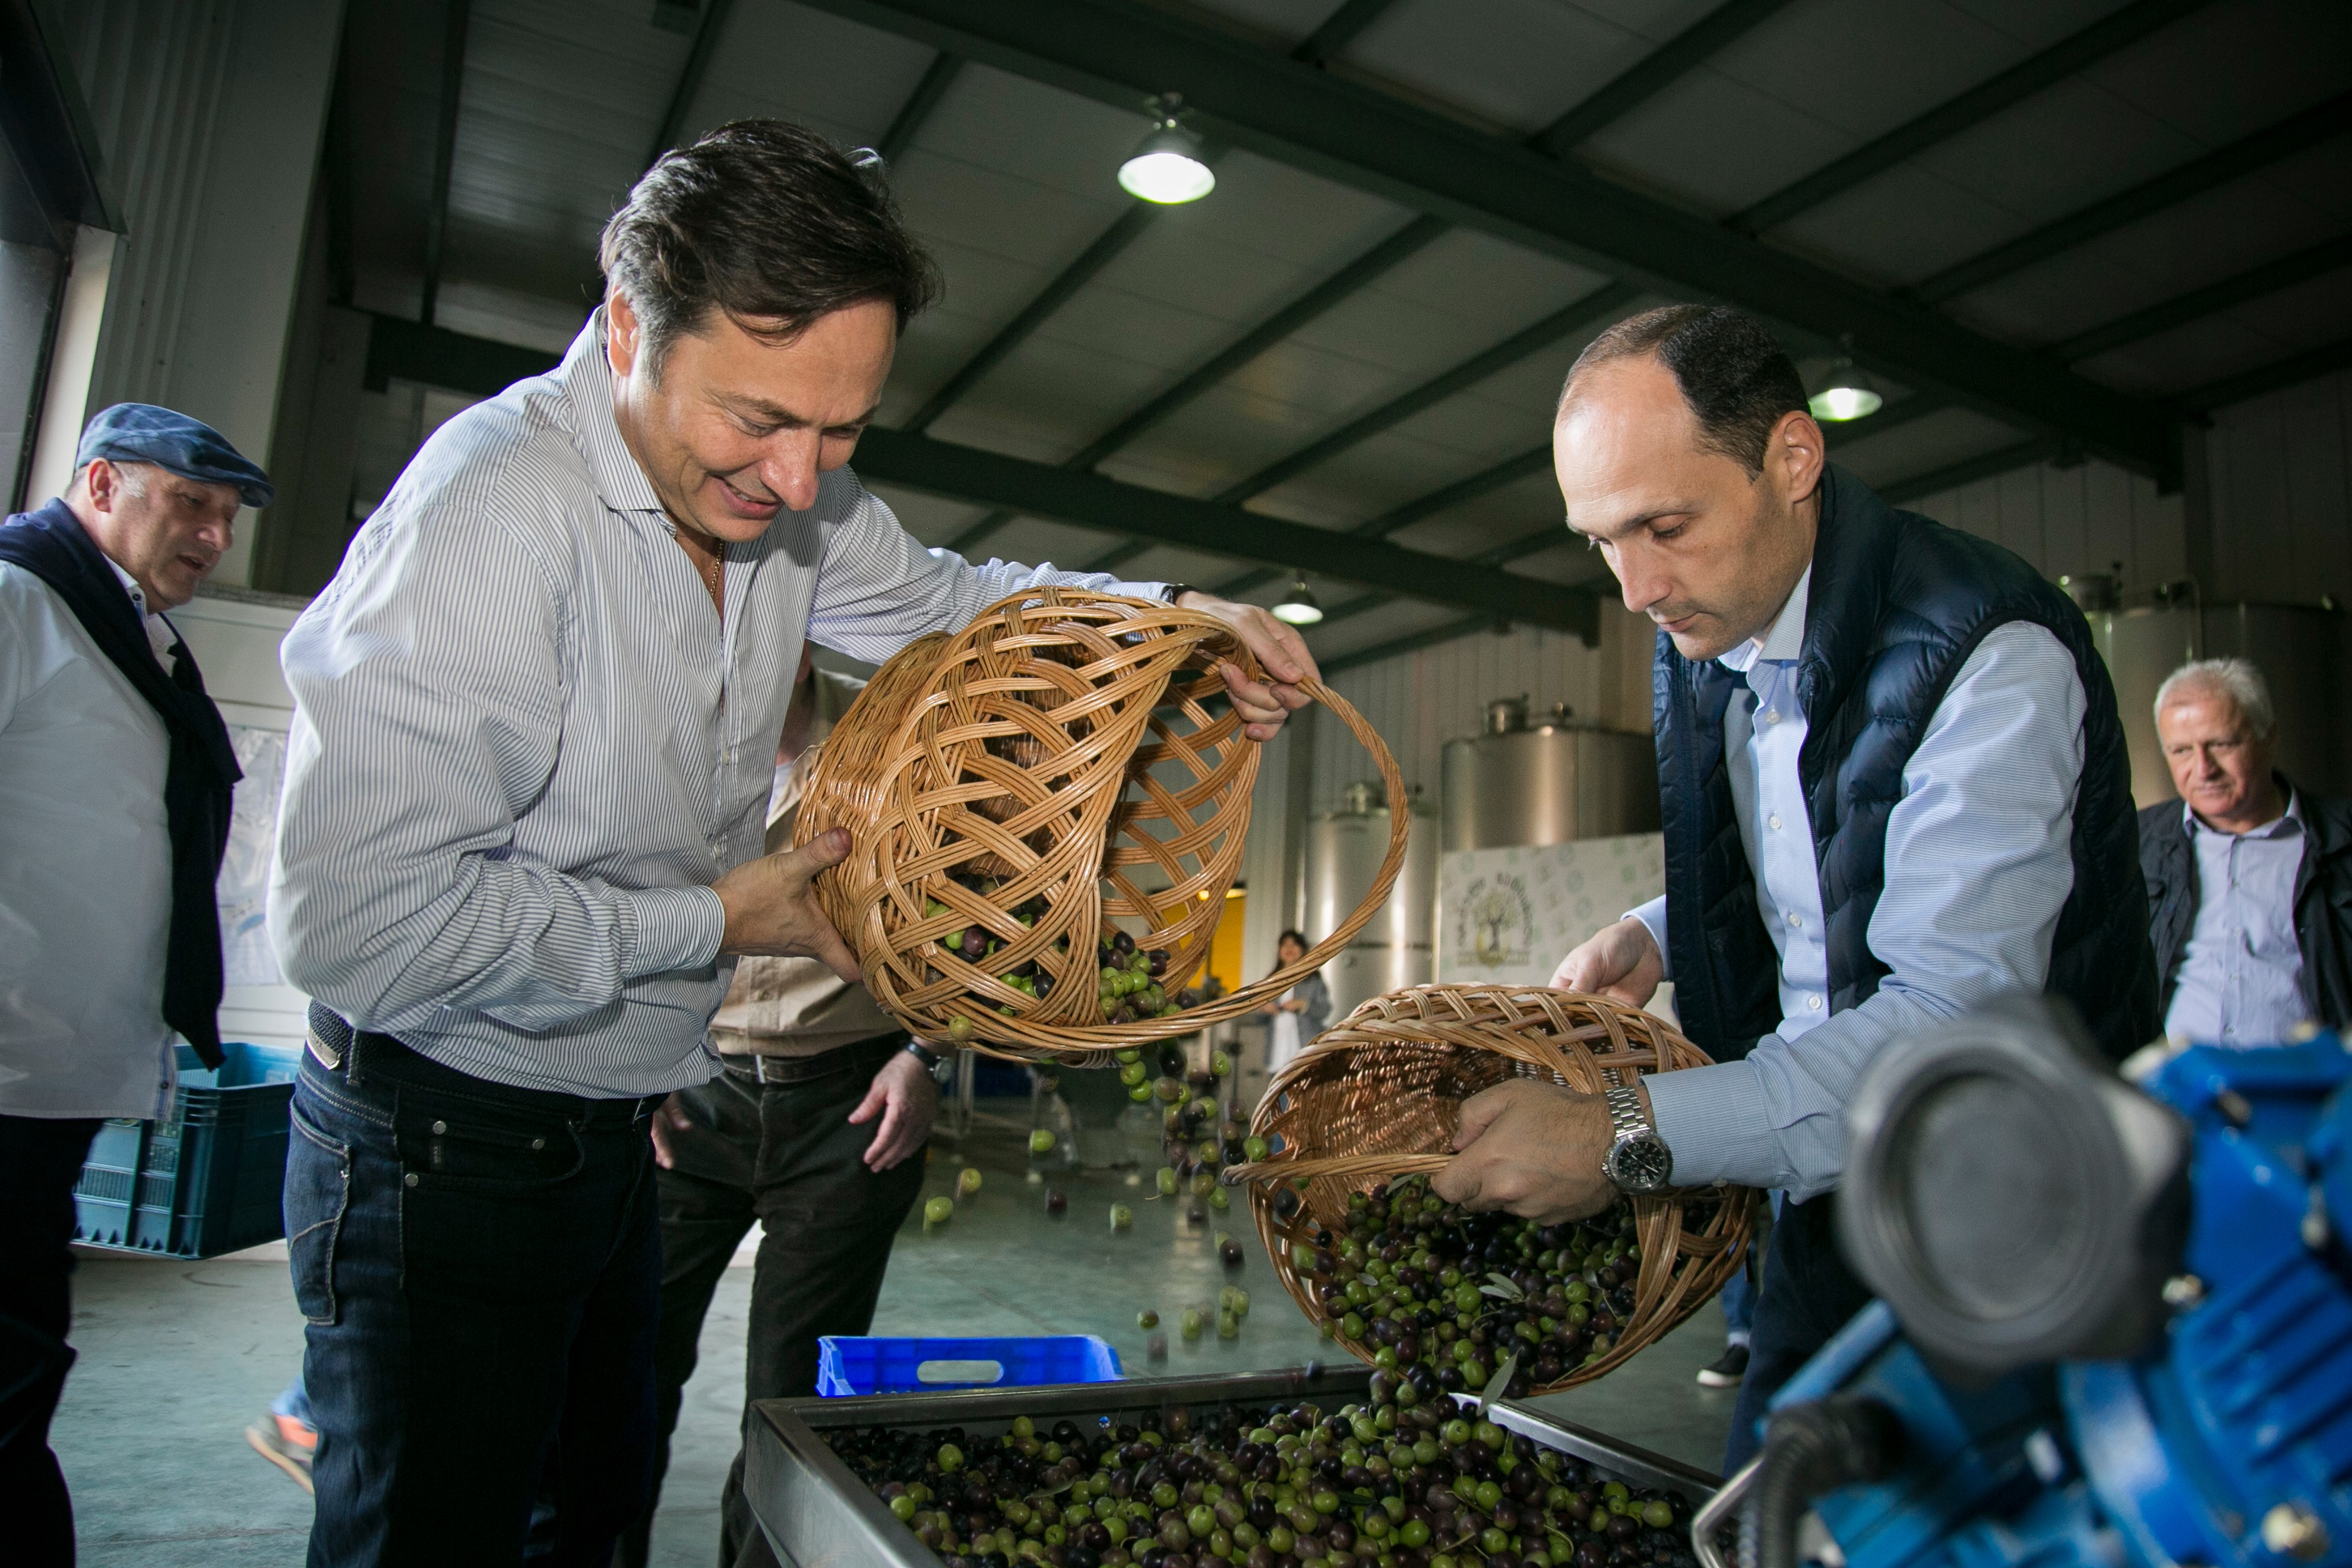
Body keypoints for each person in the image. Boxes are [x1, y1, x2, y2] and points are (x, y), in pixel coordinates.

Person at [268, 118, 1316, 1567]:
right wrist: (715, 921)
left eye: (843, 431)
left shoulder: (779, 501)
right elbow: (354, 921)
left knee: (591, 1515)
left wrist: (1177, 622)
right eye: (762, 420)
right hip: (441, 1147)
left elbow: (955, 600)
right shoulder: (495, 518)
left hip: (606, 1130)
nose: (803, 481)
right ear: (627, 329)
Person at [1431, 305, 2155, 1471]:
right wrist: (1666, 932)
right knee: (1766, 1510)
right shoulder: (1718, 631)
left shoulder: (1988, 655)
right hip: (1819, 1196)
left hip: (2011, 1234)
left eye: (1666, 526)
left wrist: (1621, 1136)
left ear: (1794, 459)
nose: (1636, 587)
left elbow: (1942, 1029)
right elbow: (1826, 859)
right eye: (1603, 542)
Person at [0, 405, 270, 1564]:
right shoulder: (19, 600)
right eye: (191, 503)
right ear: (103, 484)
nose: (215, 535)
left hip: (48, 1078)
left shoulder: (127, 629)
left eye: (227, 515)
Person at [615, 652, 934, 1568]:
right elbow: (605, 889)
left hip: (849, 1109)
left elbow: (981, 905)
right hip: (686, 1095)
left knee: (791, 1409)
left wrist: (927, 1055)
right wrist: (628, 1054)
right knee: (623, 1375)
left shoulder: (902, 742)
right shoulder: (651, 734)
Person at [2141, 657, 2352, 1040]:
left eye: (2221, 744)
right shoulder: (2137, 843)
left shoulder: (2341, 840)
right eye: (2181, 751)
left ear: (2269, 738)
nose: (2203, 769)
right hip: (2173, 1074)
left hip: (2307, 1075)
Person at [1257, 928, 1331, 1074]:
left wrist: (1304, 1006)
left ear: (1303, 950)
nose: (1289, 949)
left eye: (1294, 945)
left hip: (1305, 1050)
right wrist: (1264, 1008)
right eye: (1285, 945)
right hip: (1277, 1050)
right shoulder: (1271, 980)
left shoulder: (1313, 980)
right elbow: (1259, 1019)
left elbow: (1325, 1010)